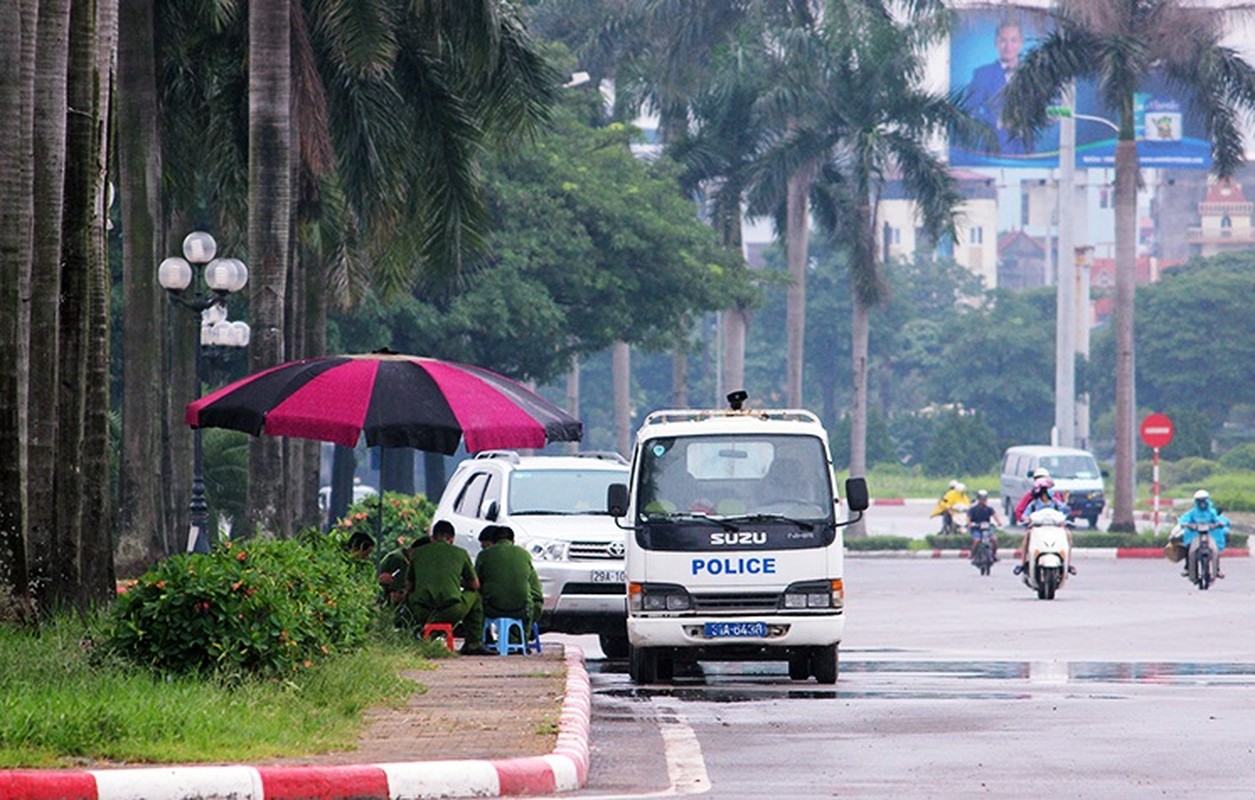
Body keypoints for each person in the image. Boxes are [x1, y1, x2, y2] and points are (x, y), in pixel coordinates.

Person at [405, 520, 491, 655]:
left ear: (432, 538)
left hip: (422, 612)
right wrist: (458, 583)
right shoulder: (461, 553)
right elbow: (475, 585)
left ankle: (415, 634)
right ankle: (473, 642)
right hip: (451, 611)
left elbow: (409, 586)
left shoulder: (417, 553)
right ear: (452, 539)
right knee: (475, 595)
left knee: (408, 596)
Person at [966, 18, 1034, 155]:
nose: (1008, 47)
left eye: (1013, 40)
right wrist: (996, 122)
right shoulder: (982, 74)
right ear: (996, 43)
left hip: (1027, 152)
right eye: (1003, 40)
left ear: (1021, 43)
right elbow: (970, 109)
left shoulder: (1032, 74)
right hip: (995, 150)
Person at [475, 524, 544, 636]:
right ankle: (522, 641)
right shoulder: (525, 555)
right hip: (521, 610)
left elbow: (475, 583)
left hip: (492, 609)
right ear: (513, 540)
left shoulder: (484, 555)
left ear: (494, 541)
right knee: (531, 605)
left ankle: (478, 640)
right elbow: (535, 591)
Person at [1013, 478, 1074, 576]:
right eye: (1049, 488)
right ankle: (1023, 563)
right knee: (1027, 536)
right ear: (1043, 490)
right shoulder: (1034, 504)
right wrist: (1027, 519)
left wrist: (1065, 503)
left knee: (1068, 535)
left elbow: (1065, 511)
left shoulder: (1055, 503)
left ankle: (1069, 564)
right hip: (1038, 529)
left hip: (1054, 529)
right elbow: (1025, 515)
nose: (1052, 491)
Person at [1175, 489, 1229, 580]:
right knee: (1190, 550)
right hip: (1195, 535)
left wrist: (1219, 523)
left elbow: (1217, 519)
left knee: (1215, 550)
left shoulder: (1211, 512)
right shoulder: (1192, 512)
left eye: (1204, 500)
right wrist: (1186, 524)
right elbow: (1185, 519)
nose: (1202, 503)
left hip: (1209, 534)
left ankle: (1217, 569)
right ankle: (1188, 568)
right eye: (1199, 500)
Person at [968, 489, 1002, 562]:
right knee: (977, 540)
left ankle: (994, 554)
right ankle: (972, 554)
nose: (983, 500)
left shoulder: (989, 509)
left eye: (985, 498)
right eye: (982, 499)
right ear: (978, 499)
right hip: (976, 528)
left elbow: (995, 516)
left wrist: (999, 522)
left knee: (994, 540)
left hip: (987, 528)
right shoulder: (973, 509)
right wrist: (970, 524)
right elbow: (968, 519)